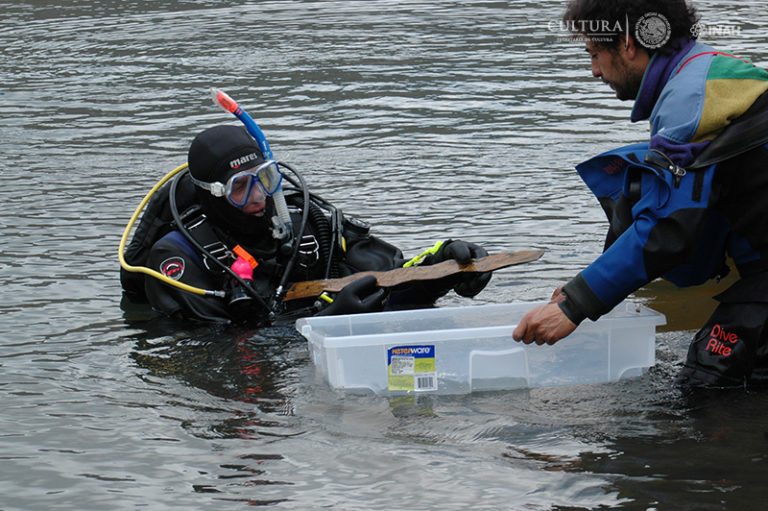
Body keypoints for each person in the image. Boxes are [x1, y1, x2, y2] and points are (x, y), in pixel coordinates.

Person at [514, 0, 768, 387]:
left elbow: (670, 228)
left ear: (629, 44)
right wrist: (585, 284)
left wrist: (574, 305)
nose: (595, 70)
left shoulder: (688, 100)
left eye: (595, 54)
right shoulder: (707, 72)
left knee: (708, 387)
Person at [121, 124, 491, 324]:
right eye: (240, 187)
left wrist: (441, 269)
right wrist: (329, 322)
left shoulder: (307, 221)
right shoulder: (178, 257)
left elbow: (388, 280)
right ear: (211, 193)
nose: (258, 197)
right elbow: (215, 356)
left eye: (265, 179)